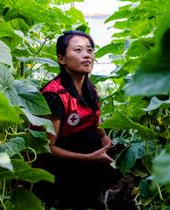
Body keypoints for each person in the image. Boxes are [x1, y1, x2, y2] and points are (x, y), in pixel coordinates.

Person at [34, 30, 121, 210]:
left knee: (106, 146)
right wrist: (89, 158)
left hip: (76, 152)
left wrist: (106, 141)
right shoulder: (54, 95)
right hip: (51, 163)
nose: (86, 55)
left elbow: (96, 122)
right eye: (78, 50)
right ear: (62, 59)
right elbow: (46, 148)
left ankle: (97, 194)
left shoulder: (89, 88)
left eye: (89, 50)